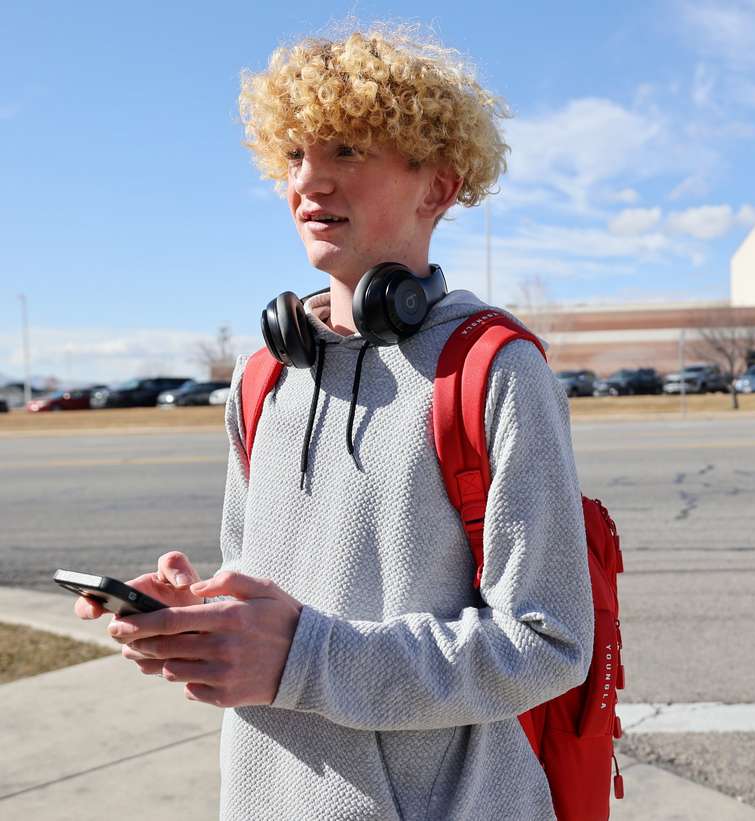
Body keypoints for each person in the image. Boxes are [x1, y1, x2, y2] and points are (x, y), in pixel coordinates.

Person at [74, 25, 593, 820]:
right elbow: (269, 598)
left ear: (438, 188)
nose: (308, 182)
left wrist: (306, 657)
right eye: (294, 157)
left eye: (348, 150)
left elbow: (547, 641)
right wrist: (197, 619)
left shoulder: (493, 370)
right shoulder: (261, 379)